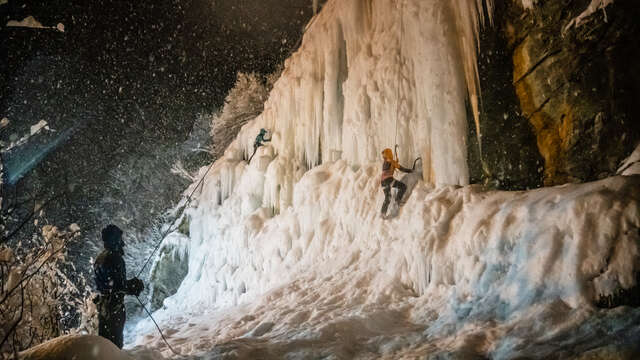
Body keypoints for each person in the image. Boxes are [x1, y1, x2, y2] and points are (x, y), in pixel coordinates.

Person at [93, 224, 144, 349]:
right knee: (115, 345)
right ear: (114, 239)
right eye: (120, 239)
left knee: (105, 345)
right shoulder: (114, 258)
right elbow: (118, 286)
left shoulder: (100, 257)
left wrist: (129, 284)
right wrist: (133, 285)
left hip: (103, 308)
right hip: (114, 308)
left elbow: (110, 284)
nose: (123, 243)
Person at [380, 148, 413, 217]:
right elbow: (402, 169)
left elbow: (390, 167)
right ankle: (398, 200)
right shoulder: (392, 161)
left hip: (383, 182)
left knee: (387, 197)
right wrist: (411, 171)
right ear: (390, 154)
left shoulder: (385, 162)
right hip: (388, 180)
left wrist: (395, 164)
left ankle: (382, 214)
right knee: (403, 186)